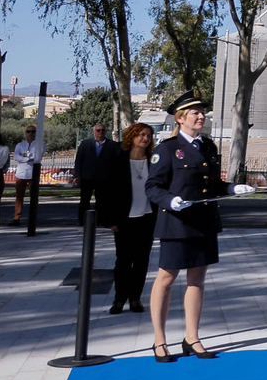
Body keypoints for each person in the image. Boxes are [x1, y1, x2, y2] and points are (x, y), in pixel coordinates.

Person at [146, 92, 255, 363]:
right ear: (181, 118)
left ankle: (191, 337)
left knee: (197, 280)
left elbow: (213, 186)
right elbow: (152, 187)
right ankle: (159, 340)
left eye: (202, 111)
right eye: (194, 112)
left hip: (204, 221)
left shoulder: (207, 146)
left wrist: (232, 188)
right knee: (166, 279)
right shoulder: (167, 149)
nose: (200, 115)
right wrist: (170, 200)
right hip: (177, 223)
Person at [99, 122, 158, 314]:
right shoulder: (117, 160)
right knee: (123, 262)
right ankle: (119, 299)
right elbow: (105, 192)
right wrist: (110, 220)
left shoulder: (154, 161)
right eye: (141, 134)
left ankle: (135, 299)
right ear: (131, 137)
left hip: (147, 218)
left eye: (148, 135)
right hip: (124, 219)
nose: (145, 138)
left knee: (141, 261)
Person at [73, 123, 118, 226]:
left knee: (102, 201)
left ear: (105, 132)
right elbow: (79, 160)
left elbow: (116, 163)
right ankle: (83, 220)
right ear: (94, 132)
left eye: (102, 130)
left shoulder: (112, 145)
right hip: (87, 177)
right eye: (98, 130)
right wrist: (78, 175)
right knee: (84, 200)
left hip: (104, 178)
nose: (100, 133)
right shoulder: (85, 144)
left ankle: (100, 220)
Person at [11, 125, 40, 223]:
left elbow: (37, 156)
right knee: (19, 197)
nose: (30, 133)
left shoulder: (40, 144)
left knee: (34, 197)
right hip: (21, 174)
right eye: (28, 131)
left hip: (33, 174)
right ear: (25, 133)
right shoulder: (20, 145)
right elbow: (15, 157)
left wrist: (25, 155)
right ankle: (16, 217)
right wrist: (28, 157)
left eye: (33, 131)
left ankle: (33, 218)